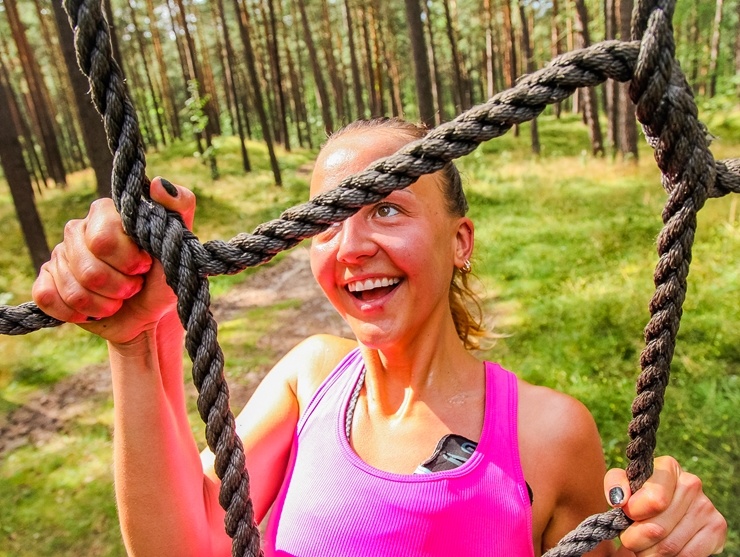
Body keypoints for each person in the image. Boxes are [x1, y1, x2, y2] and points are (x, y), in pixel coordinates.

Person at [33, 118, 727, 557]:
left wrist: (657, 532)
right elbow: (185, 544)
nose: (351, 245)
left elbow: (619, 537)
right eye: (327, 221)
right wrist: (134, 340)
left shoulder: (548, 433)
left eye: (386, 208)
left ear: (460, 241)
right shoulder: (309, 379)